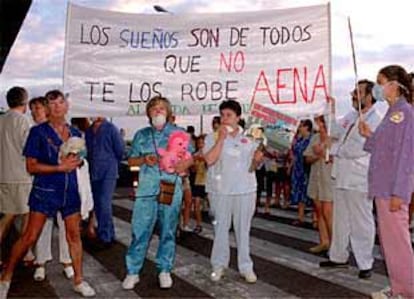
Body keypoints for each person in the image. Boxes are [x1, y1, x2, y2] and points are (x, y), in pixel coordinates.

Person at [0, 90, 96, 298]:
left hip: (70, 190)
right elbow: (31, 166)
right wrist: (59, 167)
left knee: (73, 235)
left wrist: (78, 161)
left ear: (67, 105)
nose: (57, 107)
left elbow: (80, 159)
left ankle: (78, 280)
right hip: (45, 191)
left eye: (61, 102)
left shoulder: (76, 133)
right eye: (52, 104)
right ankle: (5, 277)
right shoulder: (38, 132)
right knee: (29, 236)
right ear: (46, 108)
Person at [122, 96, 193, 290]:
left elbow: (190, 158)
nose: (158, 112)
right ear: (148, 114)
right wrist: (144, 159)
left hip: (171, 188)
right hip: (146, 190)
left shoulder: (180, 134)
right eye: (153, 109)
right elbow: (131, 162)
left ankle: (164, 269)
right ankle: (133, 271)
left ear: (169, 112)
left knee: (168, 230)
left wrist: (184, 164)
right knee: (140, 230)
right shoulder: (141, 135)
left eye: (162, 108)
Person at [359, 65, 414, 299]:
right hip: (383, 186)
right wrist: (368, 135)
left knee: (398, 243)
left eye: (380, 82)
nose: (378, 87)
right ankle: (399, 287)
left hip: (392, 188)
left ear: (394, 85)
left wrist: (399, 192)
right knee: (390, 243)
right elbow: (382, 148)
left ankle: (408, 290)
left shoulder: (405, 113)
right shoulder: (392, 114)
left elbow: (407, 156)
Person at [319, 80, 382, 280]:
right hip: (342, 175)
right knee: (341, 220)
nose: (353, 96)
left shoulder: (375, 119)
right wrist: (331, 109)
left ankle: (365, 262)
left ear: (370, 96)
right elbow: (335, 130)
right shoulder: (352, 116)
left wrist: (334, 149)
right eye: (353, 92)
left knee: (361, 221)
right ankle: (338, 256)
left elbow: (359, 148)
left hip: (359, 177)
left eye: (358, 92)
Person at [204, 100, 263, 283]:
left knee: (243, 230)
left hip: (245, 190)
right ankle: (218, 265)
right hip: (220, 191)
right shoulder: (212, 137)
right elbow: (209, 160)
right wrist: (221, 139)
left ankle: (246, 266)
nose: (225, 119)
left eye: (229, 115)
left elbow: (253, 167)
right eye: (222, 115)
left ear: (238, 117)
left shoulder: (251, 138)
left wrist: (257, 160)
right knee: (220, 229)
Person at [28, 96, 74, 281]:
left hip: (66, 186)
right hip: (44, 186)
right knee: (42, 227)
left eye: (39, 108)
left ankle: (67, 262)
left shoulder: (70, 131)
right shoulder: (36, 131)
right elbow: (31, 163)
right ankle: (41, 263)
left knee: (67, 226)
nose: (36, 112)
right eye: (34, 109)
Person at [0, 87, 34, 268]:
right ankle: (26, 252)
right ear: (24, 102)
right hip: (20, 176)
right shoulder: (23, 121)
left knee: (8, 214)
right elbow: (28, 150)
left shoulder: (1, 120)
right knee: (19, 216)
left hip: (3, 174)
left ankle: (25, 251)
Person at [85, 117, 124, 246]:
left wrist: (112, 164)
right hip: (93, 171)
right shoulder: (89, 131)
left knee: (104, 202)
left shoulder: (111, 129)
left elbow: (120, 150)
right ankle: (109, 233)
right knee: (98, 204)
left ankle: (105, 236)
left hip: (108, 171)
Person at [304, 115, 333, 254]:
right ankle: (324, 241)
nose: (317, 124)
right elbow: (307, 158)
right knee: (319, 210)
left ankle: (335, 245)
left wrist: (325, 153)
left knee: (328, 212)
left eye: (319, 121)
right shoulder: (315, 138)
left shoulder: (334, 137)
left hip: (329, 178)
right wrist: (317, 155)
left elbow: (338, 157)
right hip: (316, 177)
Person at [290, 119, 313, 226]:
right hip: (298, 168)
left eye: (301, 126)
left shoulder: (311, 139)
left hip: (307, 168)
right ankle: (300, 216)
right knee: (299, 192)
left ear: (307, 127)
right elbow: (294, 153)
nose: (299, 128)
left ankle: (316, 217)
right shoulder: (299, 139)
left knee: (309, 192)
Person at [191, 135, 207, 234]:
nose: (200, 145)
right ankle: (198, 224)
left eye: (202, 143)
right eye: (199, 143)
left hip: (209, 182)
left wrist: (204, 160)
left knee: (214, 207)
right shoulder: (195, 154)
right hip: (198, 181)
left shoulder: (210, 153)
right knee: (196, 204)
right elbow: (193, 170)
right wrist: (194, 164)